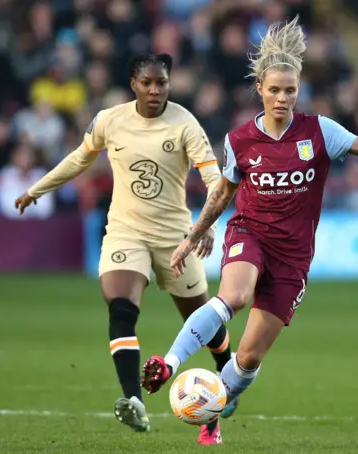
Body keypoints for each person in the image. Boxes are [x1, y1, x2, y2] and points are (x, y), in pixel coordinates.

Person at [141, 16, 358, 440]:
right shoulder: (240, 140)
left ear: (299, 90)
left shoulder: (320, 131)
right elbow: (222, 194)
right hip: (250, 234)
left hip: (293, 256)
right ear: (259, 89)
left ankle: (213, 413)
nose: (282, 98)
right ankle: (168, 363)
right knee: (233, 296)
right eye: (274, 90)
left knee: (249, 358)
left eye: (290, 90)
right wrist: (196, 233)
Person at [14, 54, 238, 442]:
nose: (155, 90)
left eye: (162, 83)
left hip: (176, 239)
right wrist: (38, 188)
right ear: (133, 82)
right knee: (120, 308)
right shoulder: (109, 120)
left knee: (206, 324)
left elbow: (213, 177)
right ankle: (133, 400)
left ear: (169, 84)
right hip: (125, 232)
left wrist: (207, 226)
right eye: (148, 82)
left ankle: (224, 385)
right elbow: (79, 159)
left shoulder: (185, 123)